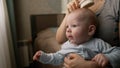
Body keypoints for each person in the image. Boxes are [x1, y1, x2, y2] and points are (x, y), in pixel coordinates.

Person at [33, 8, 119, 68]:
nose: (68, 30)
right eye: (67, 27)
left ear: (90, 30)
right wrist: (44, 57)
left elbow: (117, 52)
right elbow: (56, 58)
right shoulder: (67, 46)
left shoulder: (98, 43)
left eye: (74, 25)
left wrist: (107, 57)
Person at [56, 0, 120, 68]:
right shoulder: (78, 3)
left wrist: (91, 65)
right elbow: (60, 40)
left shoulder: (115, 4)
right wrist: (69, 13)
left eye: (74, 26)